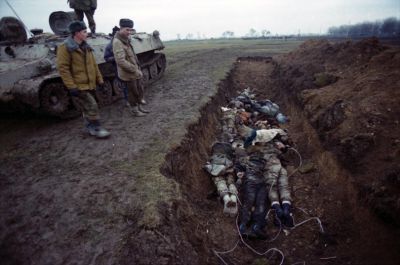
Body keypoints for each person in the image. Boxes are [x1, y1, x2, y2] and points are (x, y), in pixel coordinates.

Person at [57, 21, 110, 138]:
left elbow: (94, 65)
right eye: (84, 31)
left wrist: (100, 81)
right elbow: (63, 69)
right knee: (92, 105)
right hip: (78, 85)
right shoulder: (65, 48)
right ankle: (96, 128)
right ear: (77, 33)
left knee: (88, 106)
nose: (87, 33)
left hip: (89, 83)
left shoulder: (86, 46)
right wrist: (71, 86)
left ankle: (90, 127)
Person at [112, 18, 149, 116]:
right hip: (128, 73)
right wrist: (134, 69)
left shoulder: (125, 39)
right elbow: (120, 61)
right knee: (132, 92)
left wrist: (137, 67)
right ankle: (135, 111)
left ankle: (139, 107)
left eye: (130, 30)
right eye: (127, 30)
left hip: (134, 71)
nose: (129, 32)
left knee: (139, 90)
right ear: (121, 28)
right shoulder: (117, 42)